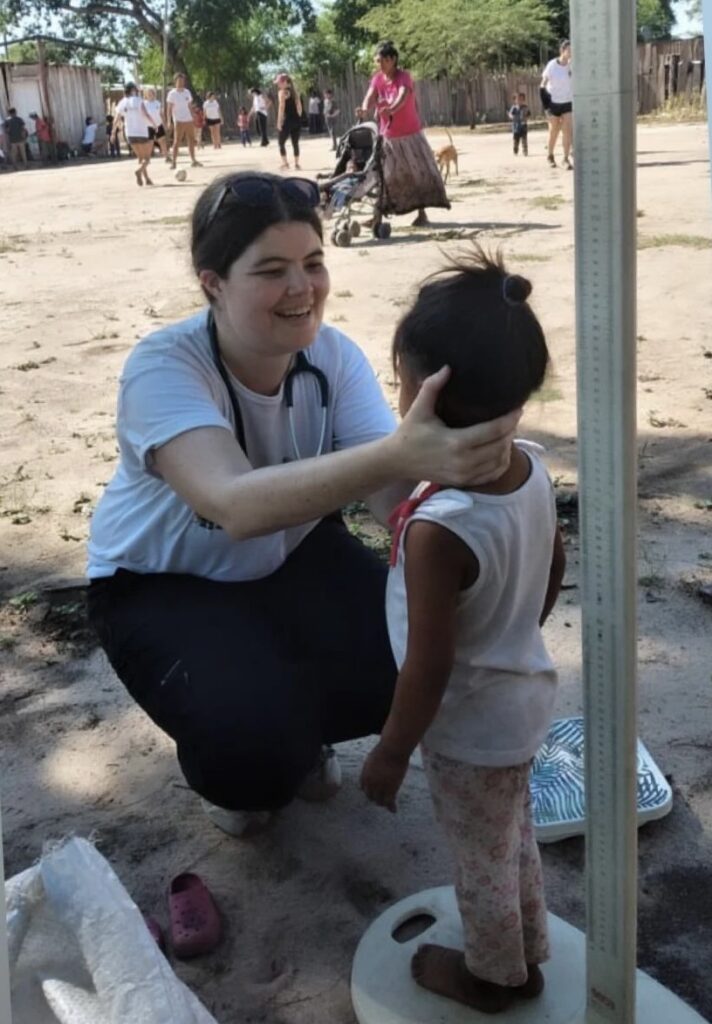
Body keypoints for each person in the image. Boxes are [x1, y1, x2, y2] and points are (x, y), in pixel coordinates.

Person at [86, 171, 521, 840]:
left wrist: (492, 479)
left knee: (427, 651)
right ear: (212, 283)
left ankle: (297, 730)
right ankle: (249, 763)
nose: (302, 289)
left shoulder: (333, 357)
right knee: (252, 756)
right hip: (161, 583)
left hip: (293, 555)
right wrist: (404, 454)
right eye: (271, 270)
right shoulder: (163, 367)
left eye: (313, 264)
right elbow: (232, 504)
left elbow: (393, 496)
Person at [361, 248, 565, 1015]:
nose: (397, 395)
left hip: (472, 728)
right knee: (510, 840)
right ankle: (526, 947)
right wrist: (515, 629)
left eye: (400, 383)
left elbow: (430, 663)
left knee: (479, 856)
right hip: (519, 698)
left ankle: (494, 978)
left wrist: (390, 750)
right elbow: (551, 565)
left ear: (431, 394)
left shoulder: (438, 531)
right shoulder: (533, 467)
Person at [357, 40, 449, 228]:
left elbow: (403, 96)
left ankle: (422, 214)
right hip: (388, 136)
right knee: (384, 176)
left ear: (393, 59)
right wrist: (365, 109)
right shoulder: (377, 79)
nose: (380, 65)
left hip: (410, 136)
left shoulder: (403, 77)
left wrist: (391, 109)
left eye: (382, 61)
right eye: (377, 61)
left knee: (418, 175)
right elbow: (370, 96)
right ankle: (378, 216)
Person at [111, 83, 158, 186]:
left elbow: (116, 118)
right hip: (141, 131)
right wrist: (154, 124)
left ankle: (146, 179)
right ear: (133, 90)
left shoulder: (122, 102)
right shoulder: (138, 100)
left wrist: (113, 132)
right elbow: (146, 114)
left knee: (140, 157)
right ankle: (139, 171)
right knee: (147, 158)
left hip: (130, 133)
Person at [541, 40, 573, 169]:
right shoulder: (552, 65)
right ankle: (550, 155)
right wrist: (546, 106)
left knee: (567, 131)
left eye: (572, 51)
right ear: (562, 51)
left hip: (568, 101)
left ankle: (565, 159)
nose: (571, 53)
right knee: (554, 131)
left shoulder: (572, 65)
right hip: (553, 102)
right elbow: (542, 84)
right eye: (569, 50)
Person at [167, 73, 202, 170]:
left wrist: (193, 115)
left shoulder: (187, 92)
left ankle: (193, 160)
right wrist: (169, 121)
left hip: (188, 119)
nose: (181, 83)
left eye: (182, 81)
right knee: (176, 141)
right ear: (175, 82)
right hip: (178, 120)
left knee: (191, 140)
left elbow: (189, 106)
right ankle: (174, 162)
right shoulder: (172, 94)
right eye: (179, 81)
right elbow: (169, 108)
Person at [275, 73, 302, 171]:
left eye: (279, 82)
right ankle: (297, 164)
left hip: (287, 120)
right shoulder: (295, 92)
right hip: (296, 120)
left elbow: (281, 107)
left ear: (285, 82)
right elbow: (299, 107)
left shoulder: (282, 92)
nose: (278, 85)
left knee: (281, 142)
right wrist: (299, 116)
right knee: (295, 143)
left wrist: (279, 121)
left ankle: (285, 163)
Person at [143, 88, 169, 160]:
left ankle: (166, 157)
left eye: (151, 93)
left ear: (154, 94)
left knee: (162, 141)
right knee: (150, 143)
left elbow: (161, 114)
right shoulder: (144, 104)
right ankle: (147, 158)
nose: (150, 94)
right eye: (148, 93)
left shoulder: (158, 103)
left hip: (158, 124)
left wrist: (165, 124)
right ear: (146, 95)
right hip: (148, 126)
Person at [508, 92, 530, 156]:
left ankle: (525, 151)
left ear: (523, 100)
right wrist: (512, 117)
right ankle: (515, 149)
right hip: (516, 126)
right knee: (516, 139)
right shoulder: (514, 107)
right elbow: (510, 114)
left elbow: (528, 114)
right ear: (515, 100)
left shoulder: (525, 107)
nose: (519, 101)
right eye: (518, 99)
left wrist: (526, 118)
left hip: (523, 126)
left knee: (524, 139)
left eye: (521, 99)